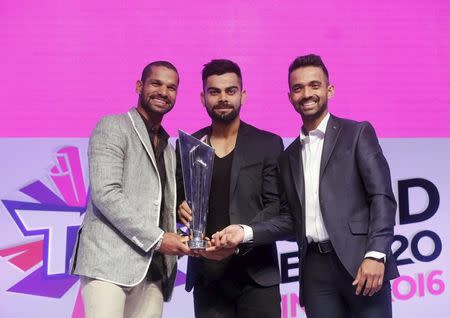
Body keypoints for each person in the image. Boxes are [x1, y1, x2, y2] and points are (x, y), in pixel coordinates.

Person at [213, 54, 399, 318]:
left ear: (329, 90)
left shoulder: (356, 133)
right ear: (290, 97)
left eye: (314, 85)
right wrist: (245, 232)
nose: (306, 94)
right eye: (298, 88)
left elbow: (382, 197)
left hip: (361, 263)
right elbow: (289, 219)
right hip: (315, 272)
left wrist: (376, 254)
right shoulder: (288, 157)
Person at [71, 61, 191, 318]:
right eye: (156, 83)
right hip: (109, 263)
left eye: (171, 87)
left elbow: (161, 204)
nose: (163, 92)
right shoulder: (113, 127)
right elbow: (106, 194)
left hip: (154, 271)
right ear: (139, 86)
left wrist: (182, 213)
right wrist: (159, 239)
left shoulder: (170, 150)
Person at [176, 59, 284, 318]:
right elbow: (175, 205)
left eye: (230, 91)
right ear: (203, 98)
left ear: (242, 95)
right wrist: (178, 210)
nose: (223, 98)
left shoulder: (267, 144)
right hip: (208, 278)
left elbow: (276, 208)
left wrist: (239, 240)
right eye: (214, 92)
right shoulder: (188, 147)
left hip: (256, 277)